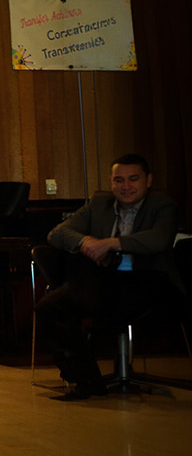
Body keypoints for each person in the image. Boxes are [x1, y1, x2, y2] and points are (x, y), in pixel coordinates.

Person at [38, 154, 181, 400]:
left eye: (133, 179)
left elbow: (159, 239)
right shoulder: (99, 203)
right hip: (102, 281)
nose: (125, 186)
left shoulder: (162, 204)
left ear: (148, 180)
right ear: (111, 182)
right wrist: (87, 242)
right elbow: (58, 233)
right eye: (118, 180)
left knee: (84, 289)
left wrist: (111, 244)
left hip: (148, 281)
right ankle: (86, 381)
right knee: (49, 308)